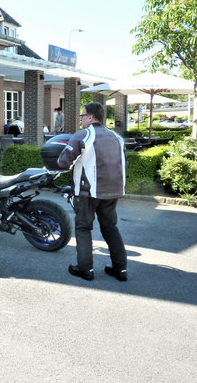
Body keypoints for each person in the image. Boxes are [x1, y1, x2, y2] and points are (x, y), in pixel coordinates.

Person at [57, 102, 128, 282]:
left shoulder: (84, 135)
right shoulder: (117, 137)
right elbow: (124, 163)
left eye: (82, 116)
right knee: (110, 228)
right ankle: (121, 270)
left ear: (90, 117)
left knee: (83, 228)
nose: (81, 119)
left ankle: (85, 269)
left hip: (86, 192)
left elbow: (64, 162)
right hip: (113, 190)